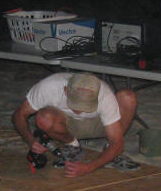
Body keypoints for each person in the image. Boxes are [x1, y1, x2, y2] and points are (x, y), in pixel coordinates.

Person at [11, 72, 140, 177]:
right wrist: (30, 140)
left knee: (127, 97)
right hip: (66, 124)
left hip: (100, 124)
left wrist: (89, 167)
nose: (80, 111)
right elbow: (19, 114)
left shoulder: (104, 95)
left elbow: (118, 143)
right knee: (44, 118)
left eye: (86, 105)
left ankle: (110, 151)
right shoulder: (49, 87)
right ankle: (72, 145)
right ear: (66, 91)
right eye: (76, 104)